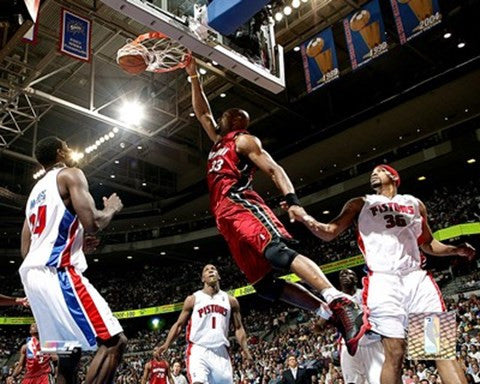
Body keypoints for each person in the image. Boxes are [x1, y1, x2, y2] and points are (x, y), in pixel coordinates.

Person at [185, 58, 366, 355]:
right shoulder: (219, 142)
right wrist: (193, 76)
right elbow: (202, 113)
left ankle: (336, 297)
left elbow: (274, 169)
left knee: (277, 253)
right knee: (265, 286)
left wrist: (293, 202)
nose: (223, 115)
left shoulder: (243, 141)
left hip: (240, 203)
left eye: (229, 114)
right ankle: (330, 313)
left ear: (237, 122)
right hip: (225, 218)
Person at [296, 164, 475, 384]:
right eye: (372, 171)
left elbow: (427, 243)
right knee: (395, 353)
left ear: (393, 176)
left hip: (416, 280)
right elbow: (328, 232)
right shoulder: (360, 203)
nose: (373, 172)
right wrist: (305, 217)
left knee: (438, 349)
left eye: (380, 170)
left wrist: (454, 249)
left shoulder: (414, 203)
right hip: (383, 282)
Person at [19, 137, 127, 384]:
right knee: (114, 342)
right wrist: (111, 208)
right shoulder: (70, 175)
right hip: (58, 274)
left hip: (34, 279)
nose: (70, 150)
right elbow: (93, 223)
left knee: (69, 355)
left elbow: (27, 249)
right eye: (67, 147)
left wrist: (75, 244)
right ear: (59, 152)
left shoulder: (34, 194)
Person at [159, 264, 252, 384]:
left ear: (219, 276)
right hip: (199, 349)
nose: (210, 271)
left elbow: (239, 328)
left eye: (213, 269)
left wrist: (246, 350)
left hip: (221, 352)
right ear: (203, 279)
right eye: (206, 270)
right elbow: (178, 325)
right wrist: (167, 344)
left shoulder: (231, 301)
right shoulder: (193, 299)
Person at [337, 269, 384, 384]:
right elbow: (319, 325)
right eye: (342, 274)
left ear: (356, 279)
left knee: (379, 380)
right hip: (348, 344)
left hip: (371, 342)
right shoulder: (335, 298)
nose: (345, 276)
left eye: (349, 273)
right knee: (352, 381)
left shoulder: (366, 293)